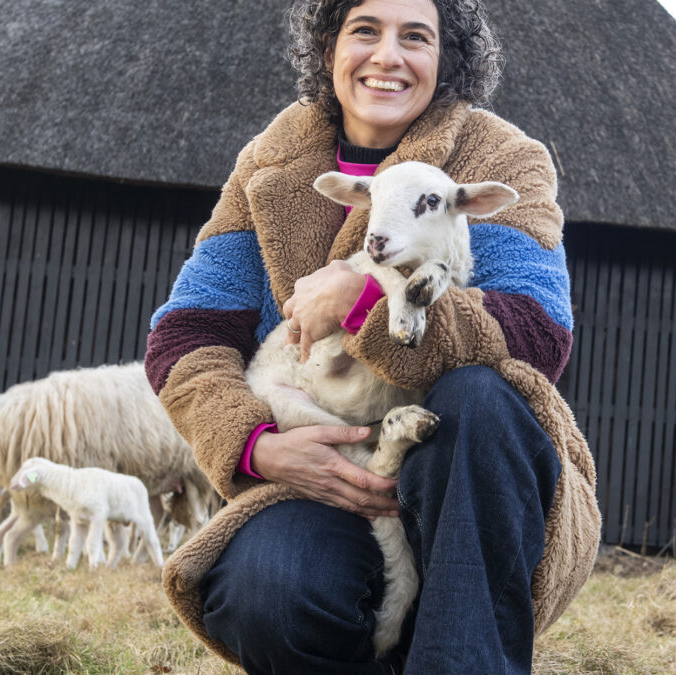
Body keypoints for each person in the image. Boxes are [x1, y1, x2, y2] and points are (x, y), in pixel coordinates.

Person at [144, 0, 601, 672]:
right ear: (329, 45)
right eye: (365, 31)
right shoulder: (268, 166)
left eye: (415, 37)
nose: (388, 56)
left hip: (466, 474)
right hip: (326, 470)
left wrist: (363, 303)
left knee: (479, 393)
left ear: (446, 59)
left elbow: (534, 330)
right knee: (267, 589)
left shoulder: (502, 158)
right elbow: (188, 332)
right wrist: (255, 444)